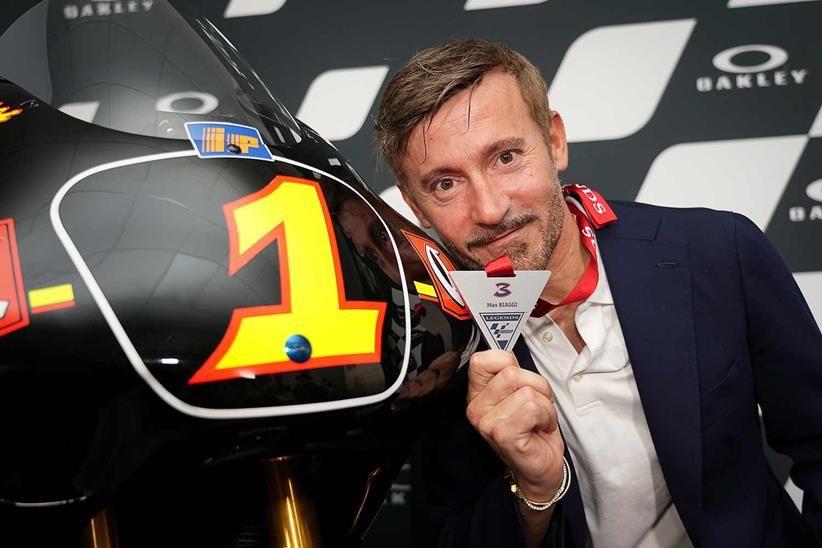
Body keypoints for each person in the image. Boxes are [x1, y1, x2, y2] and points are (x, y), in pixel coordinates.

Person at [374, 39, 822, 547]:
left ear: (555, 142)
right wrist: (533, 491)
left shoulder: (717, 252)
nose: (491, 208)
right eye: (446, 184)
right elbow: (450, 536)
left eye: (505, 156)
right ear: (413, 204)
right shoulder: (433, 341)